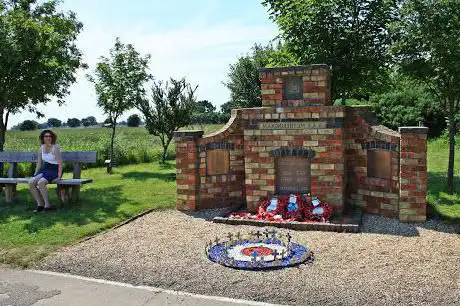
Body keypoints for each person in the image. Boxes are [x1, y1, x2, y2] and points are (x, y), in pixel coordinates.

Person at [29, 130, 62, 212]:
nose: (48, 138)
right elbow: (39, 163)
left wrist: (59, 176)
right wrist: (35, 174)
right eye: (46, 136)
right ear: (43, 138)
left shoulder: (55, 148)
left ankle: (47, 205)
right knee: (31, 182)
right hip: (44, 170)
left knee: (41, 182)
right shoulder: (41, 148)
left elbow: (60, 163)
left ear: (52, 138)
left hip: (54, 170)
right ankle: (40, 204)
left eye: (50, 136)